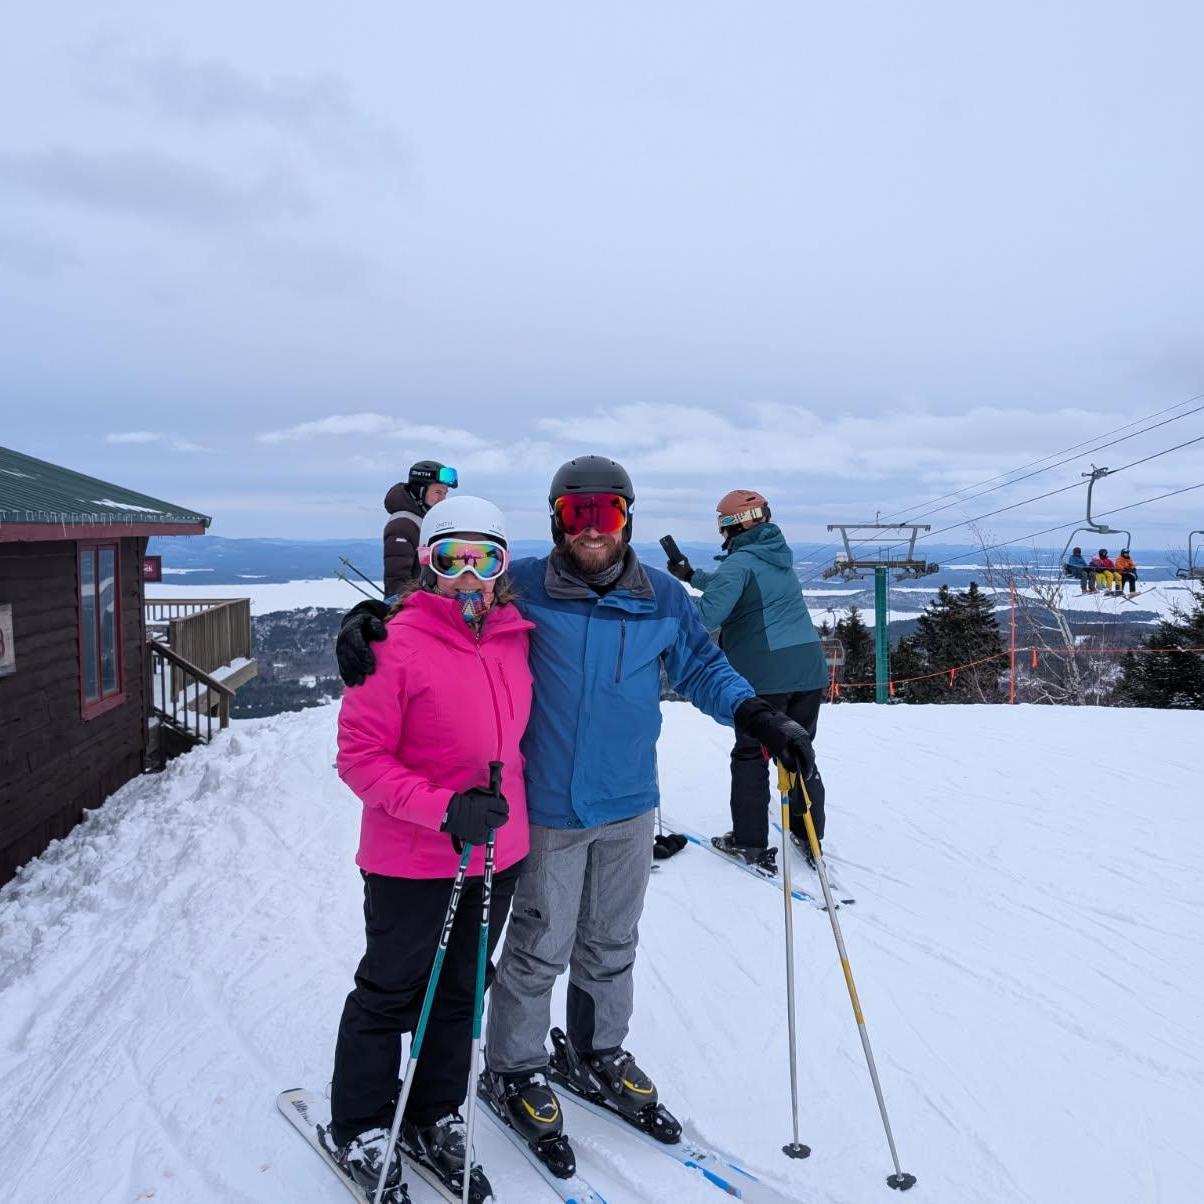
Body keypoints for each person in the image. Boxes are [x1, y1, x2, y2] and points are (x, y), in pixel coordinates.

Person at [336, 455, 816, 1176]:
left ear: (628, 519)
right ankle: (517, 1067)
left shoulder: (663, 596)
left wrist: (756, 715)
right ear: (557, 521)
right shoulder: (524, 586)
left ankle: (597, 1050)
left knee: (612, 941)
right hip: (547, 808)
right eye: (576, 515)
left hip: (629, 801)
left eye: (608, 515)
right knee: (536, 948)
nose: (593, 531)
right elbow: (449, 606)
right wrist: (372, 617)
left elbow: (700, 666)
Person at [327, 494, 531, 1201]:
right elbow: (360, 759)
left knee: (461, 996)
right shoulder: (392, 645)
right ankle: (360, 1123)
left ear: (505, 567)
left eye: (486, 559)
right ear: (427, 564)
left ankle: (433, 1112)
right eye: (453, 558)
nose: (469, 576)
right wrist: (445, 810)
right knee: (390, 993)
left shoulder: (515, 635)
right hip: (412, 861)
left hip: (497, 855)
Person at [667, 489, 830, 871]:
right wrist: (691, 575)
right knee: (797, 748)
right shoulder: (777, 556)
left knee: (750, 754)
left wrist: (668, 603)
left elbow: (707, 616)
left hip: (767, 674)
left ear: (729, 525)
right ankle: (808, 833)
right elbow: (736, 583)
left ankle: (749, 841)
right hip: (808, 669)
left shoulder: (740, 563)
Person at [382, 460, 459, 597]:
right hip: (414, 609)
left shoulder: (424, 521)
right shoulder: (402, 524)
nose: (443, 498)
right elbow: (397, 582)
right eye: (437, 492)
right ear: (419, 491)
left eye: (445, 493)